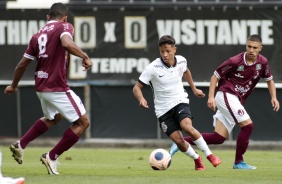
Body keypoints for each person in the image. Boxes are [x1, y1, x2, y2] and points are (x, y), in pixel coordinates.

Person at [4, 3, 92, 175]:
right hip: (57, 87)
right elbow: (66, 43)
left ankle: (20, 144)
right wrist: (85, 56)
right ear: (65, 17)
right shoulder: (65, 26)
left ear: (47, 18)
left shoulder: (37, 35)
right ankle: (52, 156)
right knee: (83, 123)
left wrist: (13, 86)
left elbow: (22, 65)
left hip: (41, 87)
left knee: (53, 117)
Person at [169, 34, 280, 170]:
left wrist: (273, 97)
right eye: (249, 46)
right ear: (246, 46)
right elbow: (215, 76)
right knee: (248, 126)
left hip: (236, 100)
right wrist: (211, 97)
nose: (251, 50)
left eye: (254, 47)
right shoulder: (235, 61)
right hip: (226, 94)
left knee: (218, 138)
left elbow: (269, 80)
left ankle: (179, 142)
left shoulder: (263, 62)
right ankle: (239, 162)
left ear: (260, 48)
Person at [133, 35, 222, 171]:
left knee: (187, 126)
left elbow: (186, 71)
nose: (165, 54)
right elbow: (136, 87)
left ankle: (210, 155)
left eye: (168, 50)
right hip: (162, 110)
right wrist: (141, 99)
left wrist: (193, 88)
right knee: (179, 141)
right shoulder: (153, 67)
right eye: (162, 51)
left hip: (180, 101)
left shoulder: (181, 61)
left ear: (174, 49)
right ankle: (197, 159)